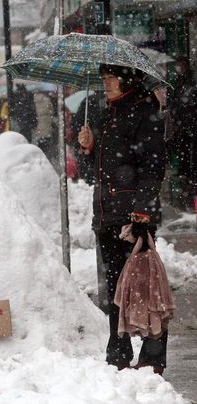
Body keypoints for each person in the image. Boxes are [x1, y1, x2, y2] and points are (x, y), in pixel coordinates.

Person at [78, 64, 167, 374]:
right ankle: (118, 349)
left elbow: (152, 166)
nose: (106, 84)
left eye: (111, 78)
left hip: (132, 216)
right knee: (116, 286)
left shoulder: (143, 111)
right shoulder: (108, 113)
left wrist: (141, 213)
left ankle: (153, 352)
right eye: (103, 79)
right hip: (107, 215)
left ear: (127, 78)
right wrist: (89, 149)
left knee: (143, 284)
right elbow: (96, 174)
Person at [168, 56, 197, 210]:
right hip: (182, 128)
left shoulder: (190, 84)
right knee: (184, 160)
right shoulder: (177, 84)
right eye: (177, 65)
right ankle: (187, 191)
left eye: (180, 65)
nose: (178, 68)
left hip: (190, 127)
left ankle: (190, 193)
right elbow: (175, 103)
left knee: (189, 161)